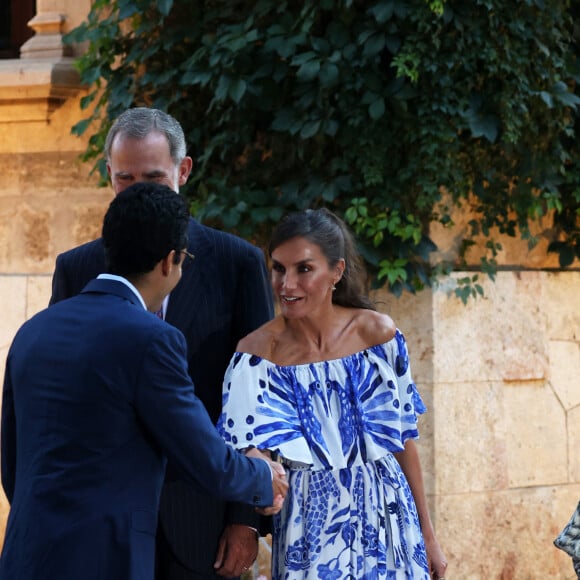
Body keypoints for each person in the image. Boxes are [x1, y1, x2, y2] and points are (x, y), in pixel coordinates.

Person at [0, 183, 287, 580]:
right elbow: (199, 453)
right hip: (107, 557)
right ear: (170, 261)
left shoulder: (33, 331)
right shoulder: (153, 338)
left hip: (26, 553)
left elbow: (12, 460)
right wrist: (261, 477)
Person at [49, 107, 274, 579]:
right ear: (109, 175)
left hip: (203, 523)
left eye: (153, 176)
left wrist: (244, 521)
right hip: (99, 529)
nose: (140, 192)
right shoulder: (76, 269)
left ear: (183, 170)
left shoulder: (237, 264)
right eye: (126, 179)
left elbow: (258, 399)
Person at [218, 208, 449, 579]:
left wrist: (428, 535)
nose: (286, 284)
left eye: (303, 269)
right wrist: (264, 483)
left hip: (389, 520)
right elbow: (245, 449)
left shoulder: (378, 335)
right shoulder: (255, 355)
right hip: (309, 529)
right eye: (279, 268)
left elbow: (402, 441)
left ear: (336, 272)